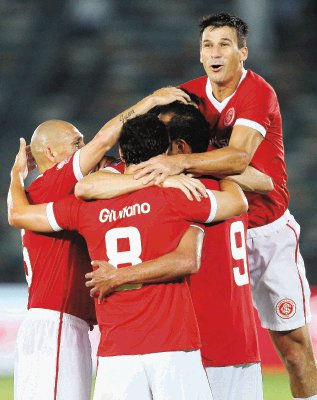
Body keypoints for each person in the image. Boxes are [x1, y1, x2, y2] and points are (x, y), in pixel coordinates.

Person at [129, 13, 317, 399]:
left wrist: (178, 162)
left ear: (242, 52)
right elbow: (136, 137)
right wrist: (147, 103)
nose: (215, 53)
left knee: (295, 351)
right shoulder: (188, 94)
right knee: (200, 347)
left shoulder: (257, 91)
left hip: (265, 231)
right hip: (212, 229)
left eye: (224, 44)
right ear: (200, 54)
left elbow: (237, 160)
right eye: (207, 45)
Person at [8, 113, 249, 400]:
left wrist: (16, 175)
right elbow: (237, 202)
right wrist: (207, 167)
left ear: (121, 152)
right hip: (172, 342)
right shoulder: (177, 197)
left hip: (117, 350)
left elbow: (20, 214)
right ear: (165, 152)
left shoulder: (85, 207)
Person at [77, 102, 271, 400]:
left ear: (178, 148)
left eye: (161, 139)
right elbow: (264, 182)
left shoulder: (182, 192)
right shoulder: (225, 185)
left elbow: (88, 186)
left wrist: (171, 174)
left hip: (196, 343)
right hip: (240, 341)